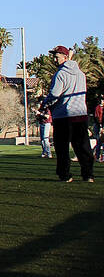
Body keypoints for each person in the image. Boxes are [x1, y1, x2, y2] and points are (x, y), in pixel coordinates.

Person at [40, 46, 94, 182]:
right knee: (83, 147)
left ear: (65, 57)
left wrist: (45, 105)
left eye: (56, 56)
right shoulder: (81, 74)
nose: (54, 59)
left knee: (62, 147)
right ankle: (88, 175)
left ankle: (65, 175)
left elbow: (54, 94)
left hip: (64, 115)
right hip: (80, 113)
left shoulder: (60, 74)